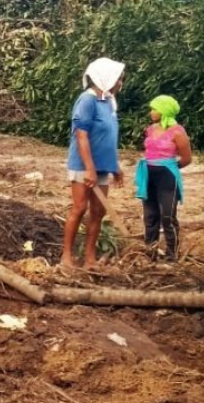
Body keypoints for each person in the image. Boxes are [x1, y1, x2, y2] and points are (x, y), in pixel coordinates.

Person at [62, 57, 125, 269]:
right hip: (83, 165)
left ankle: (90, 258)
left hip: (103, 166)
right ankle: (67, 257)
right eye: (119, 79)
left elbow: (109, 136)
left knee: (98, 212)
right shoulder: (86, 101)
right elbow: (82, 136)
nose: (120, 83)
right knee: (79, 208)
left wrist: (115, 166)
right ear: (106, 78)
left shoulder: (108, 102)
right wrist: (89, 168)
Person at [135, 95, 192, 262]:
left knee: (167, 216)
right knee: (150, 215)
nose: (151, 112)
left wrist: (170, 167)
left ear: (164, 111)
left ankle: (171, 253)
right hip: (148, 174)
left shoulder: (178, 131)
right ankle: (150, 250)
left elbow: (187, 158)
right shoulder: (151, 129)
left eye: (155, 109)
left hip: (166, 177)